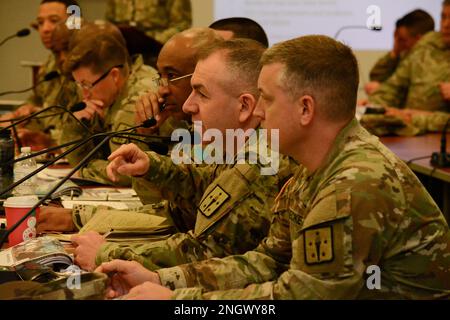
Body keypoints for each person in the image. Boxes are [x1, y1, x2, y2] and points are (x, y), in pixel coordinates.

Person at [96, 35, 450, 300]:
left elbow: (297, 297)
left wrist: (180, 302)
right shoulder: (312, 169)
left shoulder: (354, 182)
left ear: (305, 109)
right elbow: (267, 262)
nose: (258, 112)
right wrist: (161, 281)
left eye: (266, 99)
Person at [69, 39, 294, 273]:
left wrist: (106, 253)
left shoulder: (259, 163)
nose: (188, 106)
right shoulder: (239, 144)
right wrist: (150, 166)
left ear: (245, 106)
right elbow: (207, 185)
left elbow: (205, 253)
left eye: (201, 94)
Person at [37, 27, 220, 233]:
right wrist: (146, 137)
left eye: (171, 75)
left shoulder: (234, 143)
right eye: (160, 76)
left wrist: (81, 215)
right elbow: (169, 210)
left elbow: (178, 222)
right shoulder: (185, 120)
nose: (161, 90)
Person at [60, 32, 159, 186]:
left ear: (114, 75)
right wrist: (76, 126)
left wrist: (86, 169)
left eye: (86, 84)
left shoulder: (135, 99)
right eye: (79, 85)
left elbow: (122, 172)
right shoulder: (109, 95)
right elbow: (77, 161)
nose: (84, 94)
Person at [0, 0, 81, 150]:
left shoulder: (85, 65)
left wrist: (49, 141)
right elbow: (37, 99)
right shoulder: (50, 62)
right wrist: (20, 114)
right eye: (40, 23)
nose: (45, 29)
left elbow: (85, 127)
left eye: (54, 21)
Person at [367, 0, 450, 132]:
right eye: (443, 17)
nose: (446, 24)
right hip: (408, 133)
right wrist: (371, 106)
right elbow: (394, 87)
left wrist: (413, 117)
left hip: (437, 137)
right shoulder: (426, 47)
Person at [365, 9, 435, 95]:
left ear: (419, 39)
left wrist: (382, 89)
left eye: (402, 39)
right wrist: (395, 51)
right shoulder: (404, 55)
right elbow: (376, 76)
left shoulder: (431, 61)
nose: (398, 42)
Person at [105, 0, 192, 45]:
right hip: (123, 54)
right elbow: (109, 24)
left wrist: (152, 40)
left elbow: (182, 25)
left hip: (156, 55)